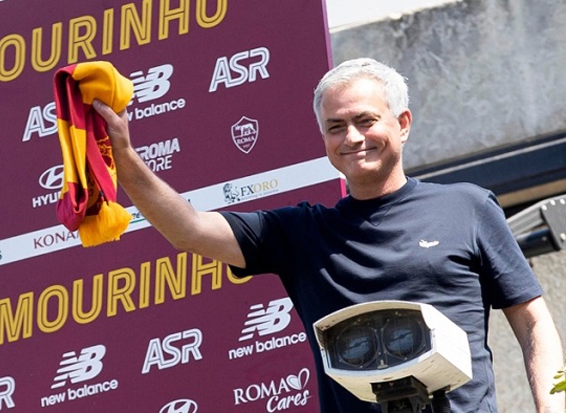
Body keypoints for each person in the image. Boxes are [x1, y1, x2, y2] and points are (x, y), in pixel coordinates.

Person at [92, 58, 564, 413]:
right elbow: (190, 230)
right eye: (335, 127)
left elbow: (533, 321)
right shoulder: (302, 232)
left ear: (402, 124)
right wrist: (124, 159)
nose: (352, 138)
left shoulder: (467, 207)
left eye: (365, 120)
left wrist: (553, 405)